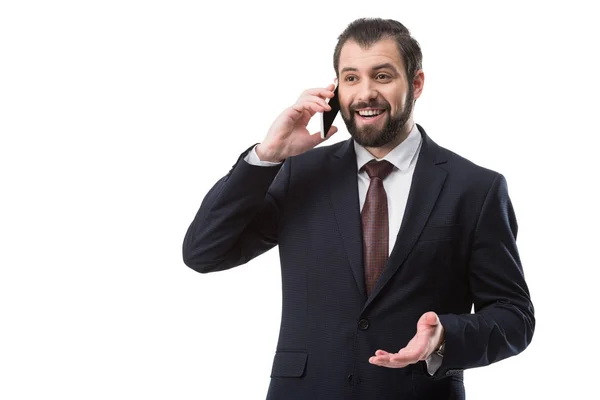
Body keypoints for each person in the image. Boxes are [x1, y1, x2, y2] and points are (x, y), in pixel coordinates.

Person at [182, 17, 535, 400]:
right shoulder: (297, 174)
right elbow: (204, 252)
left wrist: (446, 335)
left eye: (382, 76)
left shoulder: (475, 188)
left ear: (416, 84)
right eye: (351, 78)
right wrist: (267, 156)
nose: (365, 93)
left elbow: (513, 316)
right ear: (335, 89)